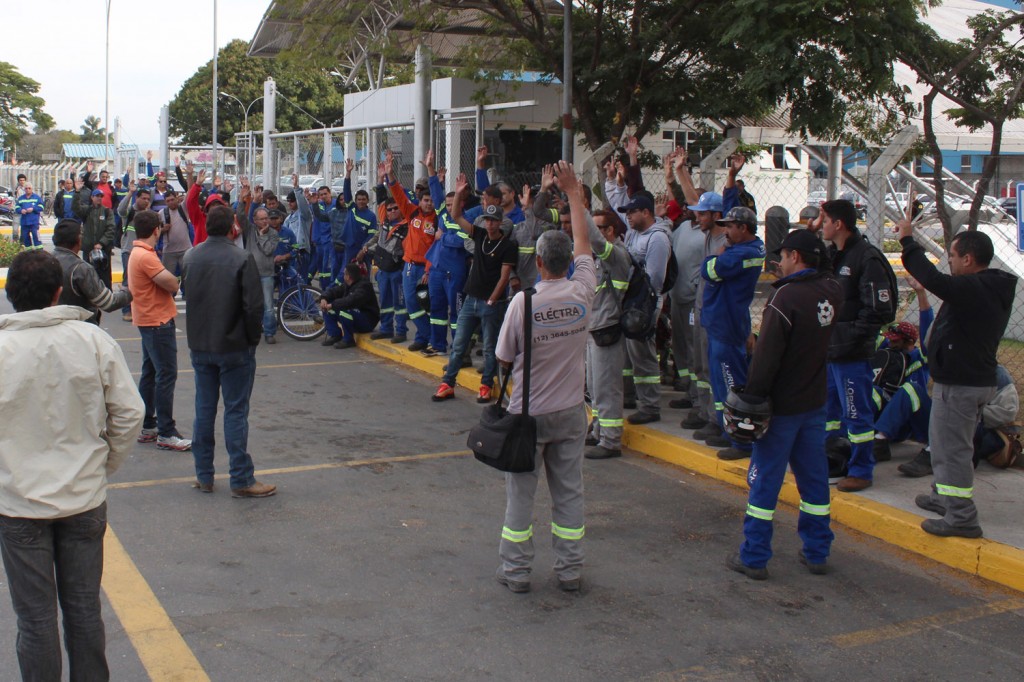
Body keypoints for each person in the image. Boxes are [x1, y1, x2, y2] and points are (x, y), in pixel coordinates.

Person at [0, 249, 144, 680]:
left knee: (36, 619)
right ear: (59, 292)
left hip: (19, 505)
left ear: (9, 295)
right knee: (83, 610)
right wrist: (104, 466)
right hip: (84, 498)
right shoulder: (92, 340)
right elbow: (129, 413)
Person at [494, 162, 597, 594]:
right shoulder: (583, 291)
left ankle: (516, 573)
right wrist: (573, 193)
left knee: (521, 497)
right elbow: (585, 244)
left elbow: (503, 358)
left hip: (529, 414)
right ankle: (569, 571)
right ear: (569, 263)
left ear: (537, 262)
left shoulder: (524, 302)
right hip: (572, 413)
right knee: (569, 494)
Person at [727, 229, 842, 580]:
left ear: (795, 256)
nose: (780, 262)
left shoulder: (785, 300)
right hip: (813, 401)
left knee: (765, 481)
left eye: (784, 256)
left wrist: (751, 397)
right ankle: (817, 551)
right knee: (814, 481)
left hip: (781, 408)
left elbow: (766, 359)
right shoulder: (832, 290)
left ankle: (755, 556)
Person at [897, 218, 1017, 538]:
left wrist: (908, 241)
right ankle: (943, 498)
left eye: (952, 254)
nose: (948, 260)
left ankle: (962, 516)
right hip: (966, 381)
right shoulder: (985, 288)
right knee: (944, 443)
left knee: (953, 450)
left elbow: (932, 277)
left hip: (962, 385)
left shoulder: (976, 288)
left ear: (968, 258)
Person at [181, 204, 276, 498]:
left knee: (204, 410)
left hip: (201, 344)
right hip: (234, 346)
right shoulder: (240, 257)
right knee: (235, 412)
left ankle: (204, 475)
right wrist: (252, 338)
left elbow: (188, 295)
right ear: (232, 227)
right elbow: (253, 306)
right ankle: (241, 478)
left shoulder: (191, 256)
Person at [810, 199, 897, 492]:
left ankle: (861, 470)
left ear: (839, 224)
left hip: (851, 353)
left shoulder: (866, 258)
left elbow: (880, 310)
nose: (822, 225)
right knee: (829, 412)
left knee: (856, 412)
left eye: (825, 221)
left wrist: (851, 337)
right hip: (833, 351)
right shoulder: (836, 255)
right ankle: (830, 459)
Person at [433, 174, 517, 403]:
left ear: (501, 222)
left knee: (490, 348)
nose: (489, 224)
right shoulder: (479, 234)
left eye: (493, 220)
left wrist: (493, 299)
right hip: (471, 299)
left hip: (491, 303)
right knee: (459, 345)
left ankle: (486, 385)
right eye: (486, 220)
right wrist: (459, 192)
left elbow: (504, 277)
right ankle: (447, 383)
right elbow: (456, 215)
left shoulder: (508, 247)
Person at [701, 206, 767, 461]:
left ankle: (742, 442)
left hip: (726, 326)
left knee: (731, 384)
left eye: (730, 226)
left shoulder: (737, 255)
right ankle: (727, 429)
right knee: (719, 383)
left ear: (743, 228)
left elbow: (709, 270)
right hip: (722, 324)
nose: (725, 231)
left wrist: (715, 256)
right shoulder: (751, 247)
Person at [128, 210, 193, 452]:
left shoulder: (138, 253)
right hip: (157, 321)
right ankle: (166, 432)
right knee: (165, 375)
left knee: (150, 373)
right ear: (156, 229)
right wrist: (176, 280)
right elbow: (172, 284)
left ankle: (149, 426)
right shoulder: (146, 257)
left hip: (148, 319)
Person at [615, 194, 672, 425]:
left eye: (632, 212)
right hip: (630, 301)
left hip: (644, 303)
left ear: (646, 213)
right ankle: (629, 395)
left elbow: (655, 279)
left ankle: (650, 405)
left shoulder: (657, 238)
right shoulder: (633, 234)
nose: (628, 216)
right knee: (629, 353)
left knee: (643, 354)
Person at [583, 209, 632, 460]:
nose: (595, 231)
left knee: (607, 388)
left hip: (607, 329)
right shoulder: (604, 259)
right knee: (594, 386)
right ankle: (599, 431)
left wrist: (578, 204)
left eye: (598, 226)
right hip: (595, 328)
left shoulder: (617, 255)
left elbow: (594, 240)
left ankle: (611, 441)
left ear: (610, 231)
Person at [385, 149, 437, 351]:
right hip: (409, 266)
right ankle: (424, 336)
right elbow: (397, 195)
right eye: (425, 200)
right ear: (420, 200)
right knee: (411, 303)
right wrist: (390, 175)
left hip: (427, 269)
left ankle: (432, 338)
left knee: (428, 305)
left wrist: (428, 269)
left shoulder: (438, 219)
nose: (428, 203)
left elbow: (436, 246)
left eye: (432, 200)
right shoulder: (412, 212)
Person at [53, 219, 133, 324]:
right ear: (78, 240)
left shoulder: (44, 262)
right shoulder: (80, 269)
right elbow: (108, 303)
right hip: (80, 328)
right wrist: (129, 292)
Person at [238, 176, 284, 344]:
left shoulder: (273, 234)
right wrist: (245, 198)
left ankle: (270, 332)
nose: (265, 221)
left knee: (268, 306)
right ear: (255, 221)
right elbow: (241, 216)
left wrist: (264, 236)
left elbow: (267, 251)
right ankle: (250, 331)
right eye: (262, 219)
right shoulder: (249, 230)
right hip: (250, 273)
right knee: (249, 305)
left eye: (267, 218)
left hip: (266, 274)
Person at [359, 198, 407, 341]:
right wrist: (366, 247)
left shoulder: (406, 227)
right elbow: (377, 238)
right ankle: (386, 328)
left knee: (399, 302)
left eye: (395, 208)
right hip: (383, 269)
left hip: (396, 270)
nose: (392, 211)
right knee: (385, 301)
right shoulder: (385, 223)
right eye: (389, 209)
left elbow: (395, 248)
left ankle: (401, 330)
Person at [319, 263, 381, 348]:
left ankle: (348, 340)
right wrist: (324, 298)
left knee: (344, 310)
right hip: (356, 316)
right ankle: (335, 335)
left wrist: (332, 305)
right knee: (326, 307)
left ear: (348, 276)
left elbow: (350, 301)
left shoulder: (364, 286)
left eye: (344, 273)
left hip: (367, 321)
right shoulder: (348, 285)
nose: (343, 276)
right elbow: (334, 291)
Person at [75, 188, 117, 289]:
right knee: (87, 274)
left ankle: (107, 297)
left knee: (105, 276)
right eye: (97, 196)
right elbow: (75, 208)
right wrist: (76, 193)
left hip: (103, 250)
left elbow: (111, 229)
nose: (99, 198)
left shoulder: (107, 212)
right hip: (88, 249)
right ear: (92, 197)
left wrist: (101, 243)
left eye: (101, 196)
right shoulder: (87, 210)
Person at [15, 181, 44, 249]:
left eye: (29, 188)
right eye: (26, 188)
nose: (28, 190)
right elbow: (17, 207)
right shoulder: (21, 198)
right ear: (24, 189)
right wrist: (21, 210)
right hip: (24, 222)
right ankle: (29, 252)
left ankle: (39, 251)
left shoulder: (37, 198)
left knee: (36, 236)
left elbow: (41, 207)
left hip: (34, 222)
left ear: (32, 189)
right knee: (26, 238)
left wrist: (33, 209)